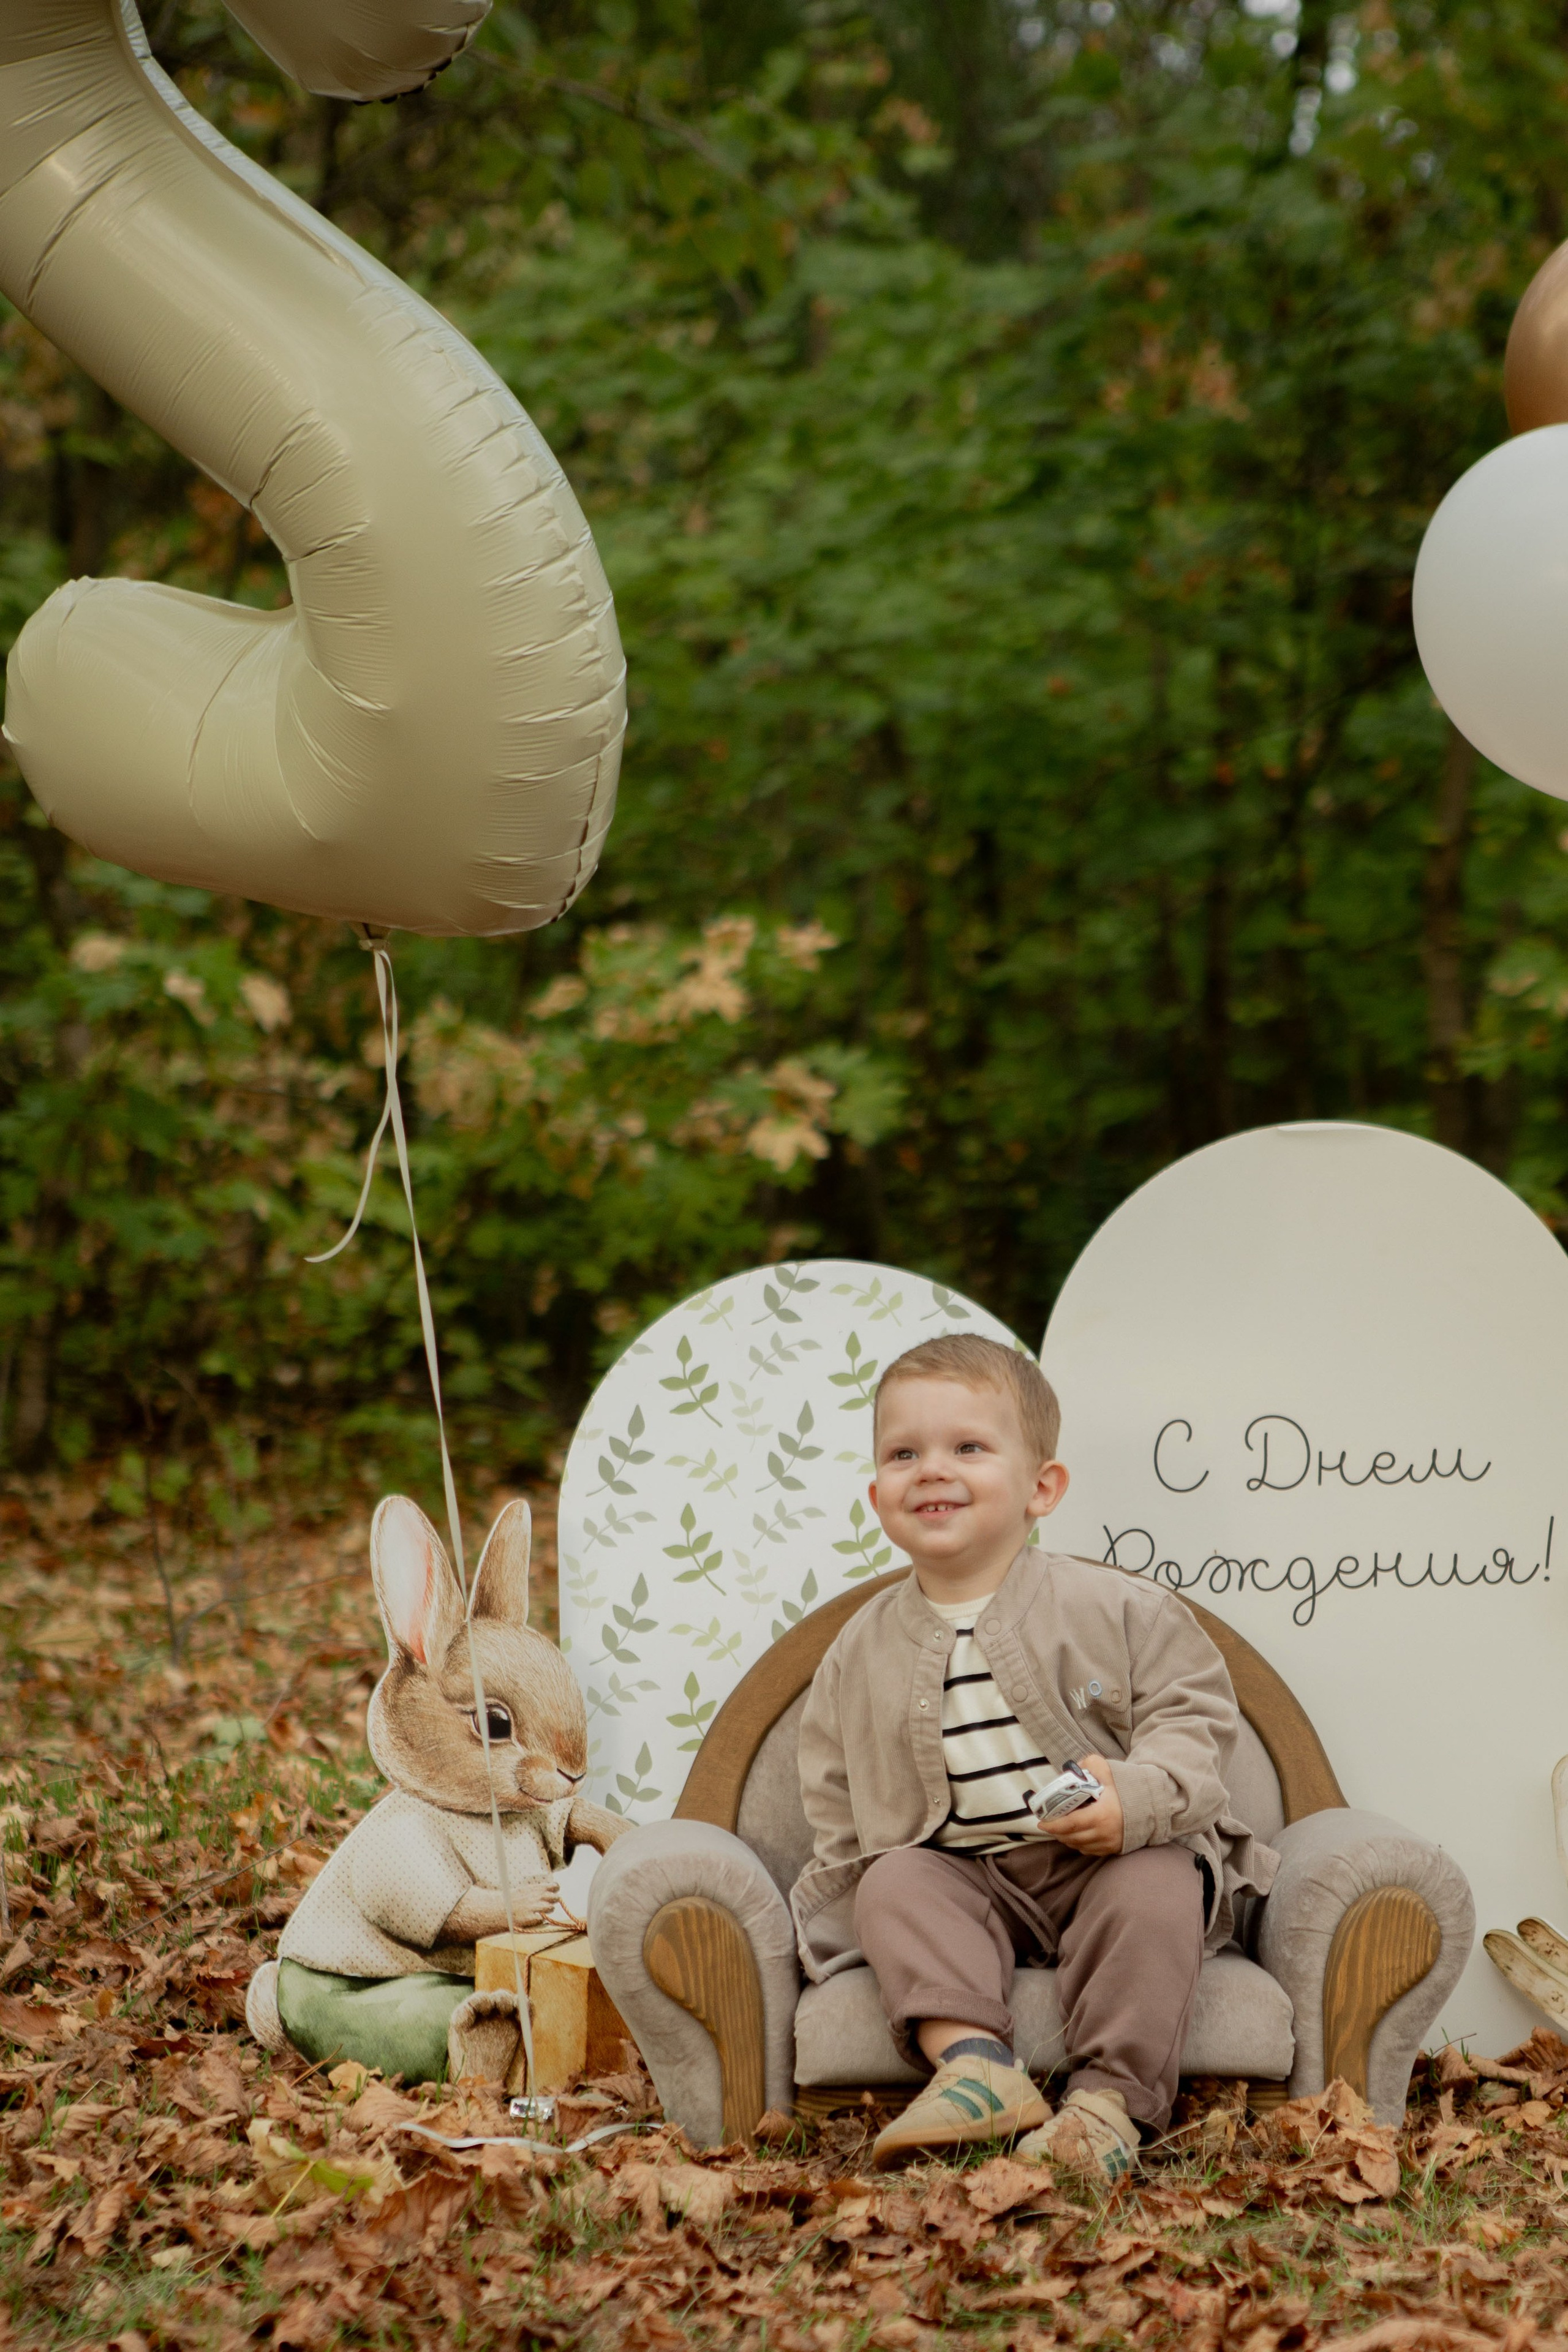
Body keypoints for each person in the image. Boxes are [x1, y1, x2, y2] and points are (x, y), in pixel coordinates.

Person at [791, 1333, 1278, 2177]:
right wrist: (855, 1892)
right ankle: (978, 2070)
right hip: (965, 1879)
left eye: (968, 1448)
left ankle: (1108, 2105)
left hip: (1102, 1863)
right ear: (876, 1496)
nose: (931, 1471)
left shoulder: (1120, 1608)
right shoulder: (858, 1649)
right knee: (894, 1881)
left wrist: (1135, 1799)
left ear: (1041, 1488)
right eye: (904, 1454)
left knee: (1162, 1879)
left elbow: (1193, 1717)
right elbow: (834, 1790)